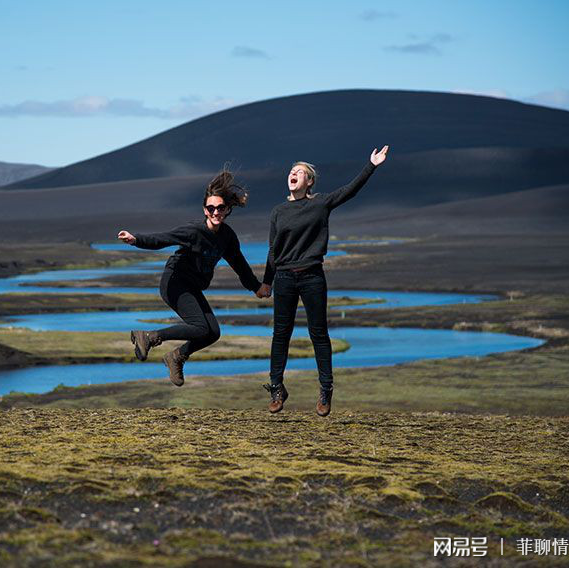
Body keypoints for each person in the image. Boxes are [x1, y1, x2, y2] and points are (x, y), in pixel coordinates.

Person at [258, 146, 389, 416]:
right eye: (292, 171)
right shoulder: (278, 211)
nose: (293, 174)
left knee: (318, 333)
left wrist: (371, 165)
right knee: (280, 335)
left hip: (312, 276)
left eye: (300, 172)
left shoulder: (321, 203)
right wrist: (267, 282)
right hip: (283, 277)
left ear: (309, 182)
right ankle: (276, 387)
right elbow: (273, 250)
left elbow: (350, 190)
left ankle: (326, 389)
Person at [118, 170, 268, 386]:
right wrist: (135, 239)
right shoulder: (194, 231)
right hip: (175, 283)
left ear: (227, 209)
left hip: (192, 286)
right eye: (211, 208)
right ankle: (149, 337)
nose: (216, 212)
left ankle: (176, 356)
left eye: (220, 208)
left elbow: (240, 265)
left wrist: (256, 287)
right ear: (205, 210)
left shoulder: (227, 237)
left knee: (213, 332)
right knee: (200, 327)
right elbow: (162, 239)